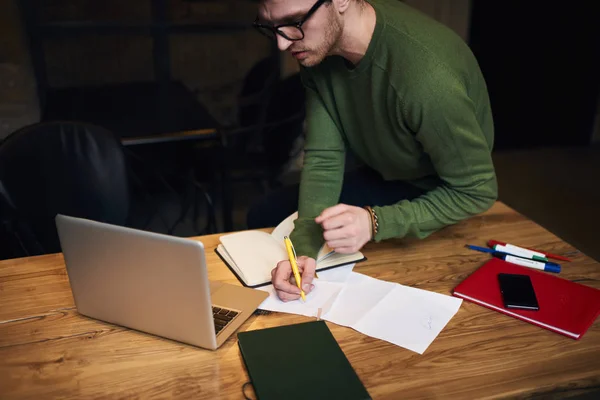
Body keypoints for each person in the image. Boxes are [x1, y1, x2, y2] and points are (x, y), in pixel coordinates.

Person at [248, 0, 497, 301]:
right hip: (385, 168)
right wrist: (303, 251)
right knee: (264, 212)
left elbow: (477, 190)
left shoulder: (427, 79)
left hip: (440, 190)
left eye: (297, 21)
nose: (282, 42)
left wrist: (374, 222)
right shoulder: (318, 45)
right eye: (270, 26)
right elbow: (324, 157)